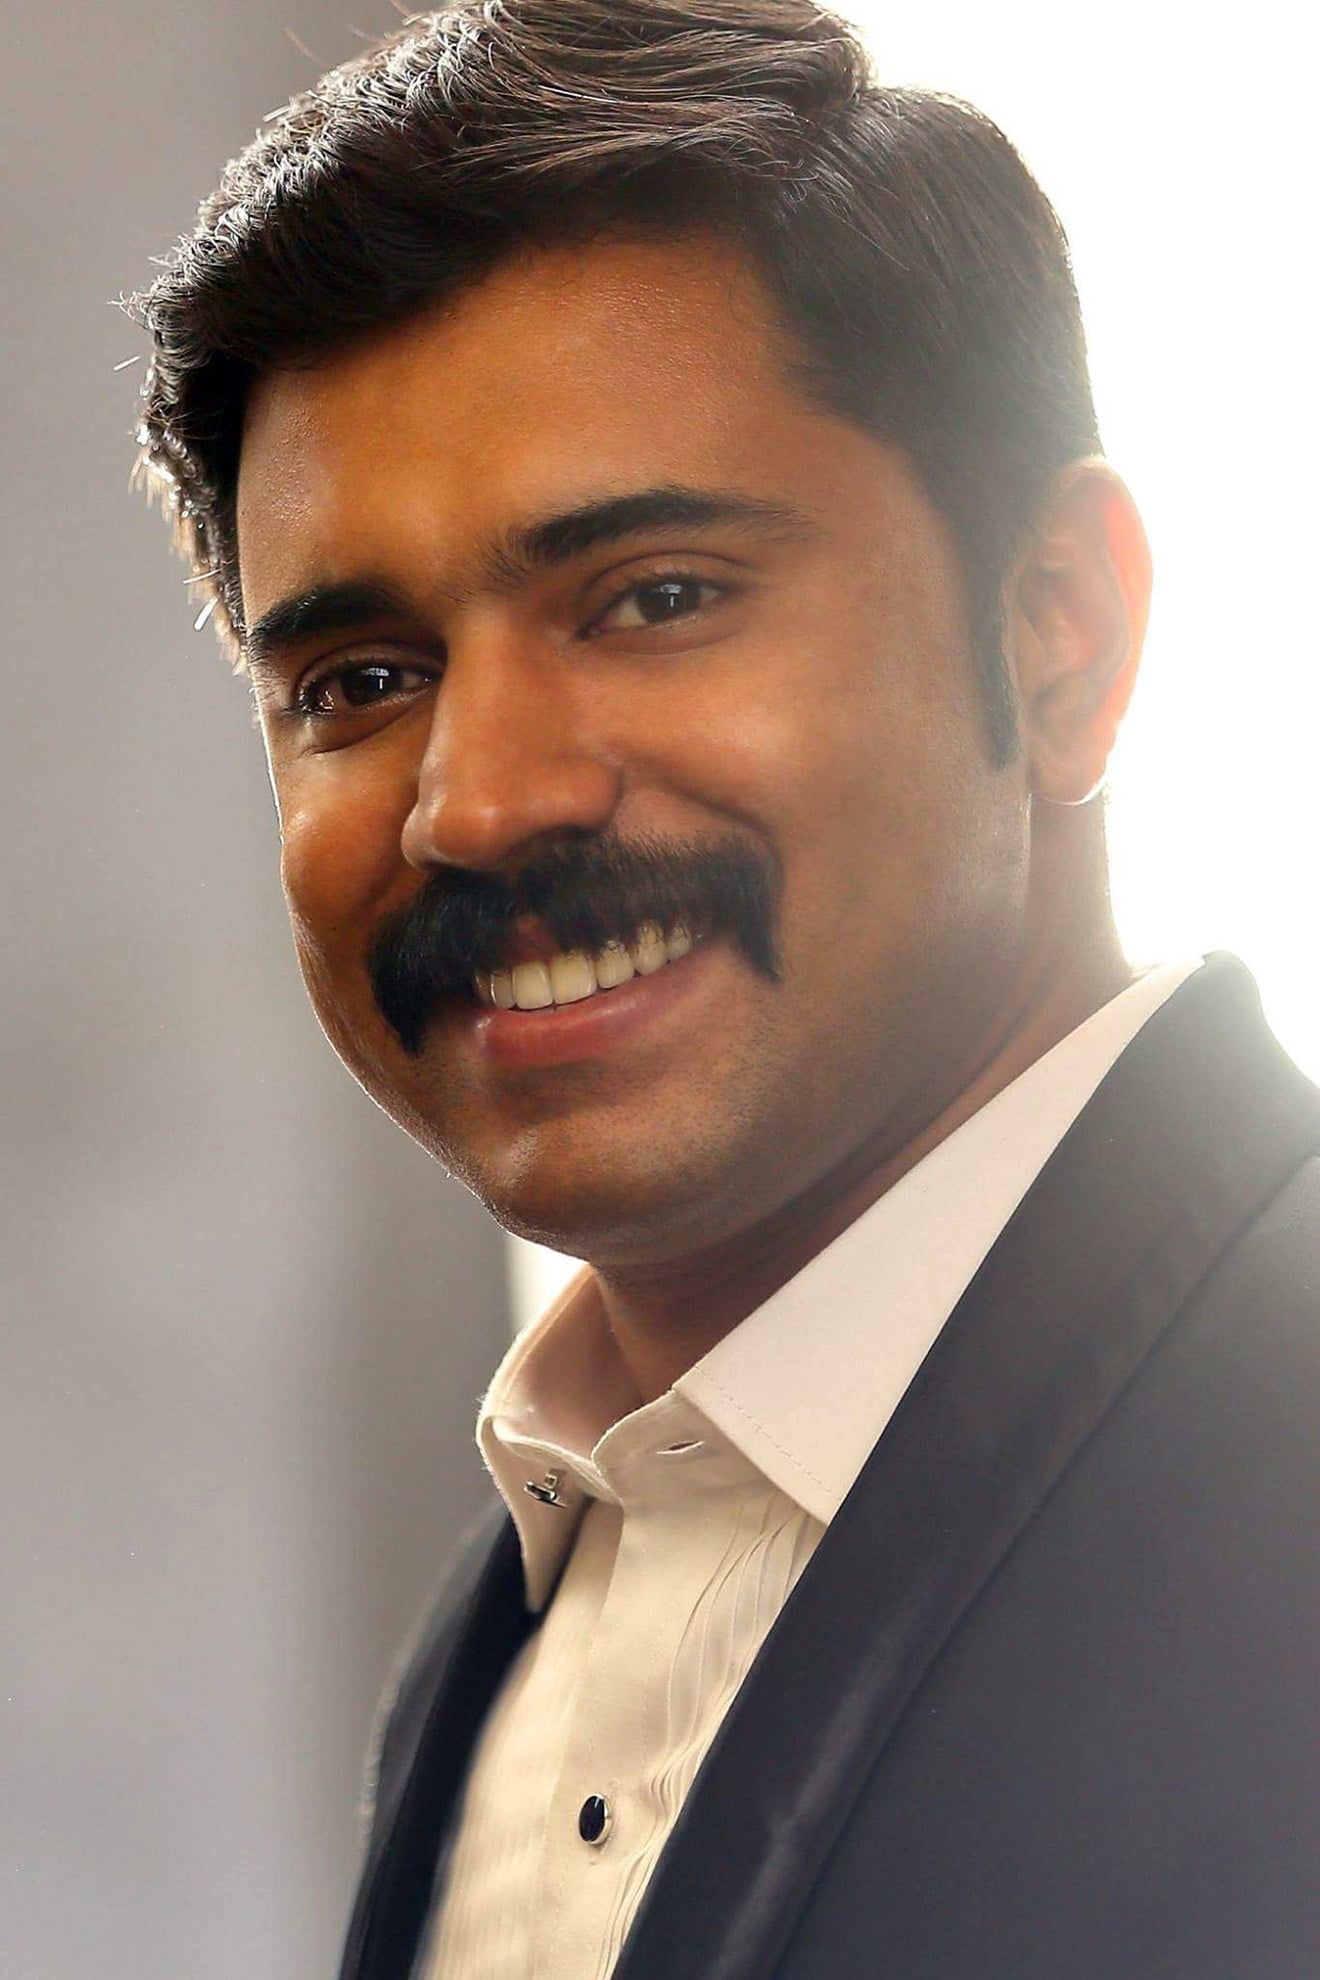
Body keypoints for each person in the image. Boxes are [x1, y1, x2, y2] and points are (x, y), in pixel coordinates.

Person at [129, 3, 1320, 1974]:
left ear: (1058, 633)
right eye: (360, 681)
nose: (477, 800)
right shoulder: (508, 1636)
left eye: (655, 598)